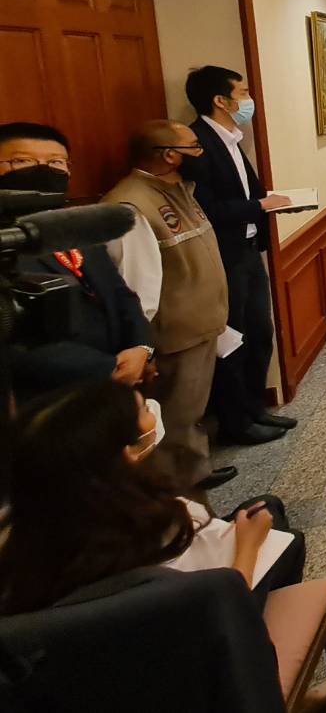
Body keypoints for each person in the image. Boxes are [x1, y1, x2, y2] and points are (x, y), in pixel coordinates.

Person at [0, 380, 303, 615]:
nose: (153, 412)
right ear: (125, 452)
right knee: (283, 533)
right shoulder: (149, 528)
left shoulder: (28, 536)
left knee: (266, 505)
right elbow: (219, 607)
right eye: (144, 410)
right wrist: (248, 546)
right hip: (200, 651)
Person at [102, 121, 233, 490]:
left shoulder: (177, 189)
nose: (202, 153)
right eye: (195, 147)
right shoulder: (131, 205)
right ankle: (182, 503)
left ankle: (197, 472)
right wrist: (144, 346)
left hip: (199, 325)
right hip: (172, 335)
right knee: (175, 420)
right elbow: (133, 288)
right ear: (169, 155)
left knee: (191, 414)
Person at [180, 66, 295, 446]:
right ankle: (235, 422)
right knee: (233, 340)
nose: (249, 100)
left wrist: (264, 204)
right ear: (220, 100)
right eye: (243, 92)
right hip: (222, 256)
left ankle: (254, 409)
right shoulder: (197, 143)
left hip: (248, 250)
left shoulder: (231, 137)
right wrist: (262, 204)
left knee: (260, 334)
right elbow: (207, 208)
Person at [0, 121, 156, 402]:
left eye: (56, 162)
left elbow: (121, 293)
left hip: (113, 385)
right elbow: (14, 342)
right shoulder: (7, 241)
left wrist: (141, 347)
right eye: (22, 161)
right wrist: (108, 368)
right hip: (41, 398)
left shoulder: (74, 224)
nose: (44, 170)